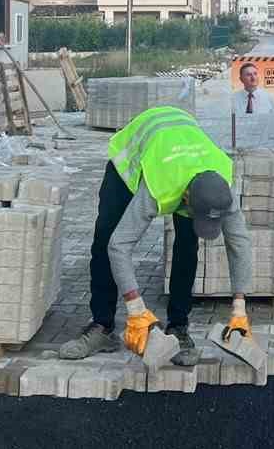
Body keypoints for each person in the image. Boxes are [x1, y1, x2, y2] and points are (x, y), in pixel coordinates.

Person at [60, 106, 253, 365]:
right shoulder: (160, 185)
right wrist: (136, 309)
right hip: (131, 162)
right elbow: (120, 246)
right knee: (107, 237)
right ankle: (102, 327)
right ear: (185, 198)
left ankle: (178, 328)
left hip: (181, 150)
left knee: (187, 244)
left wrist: (239, 307)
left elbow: (239, 243)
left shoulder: (222, 184)